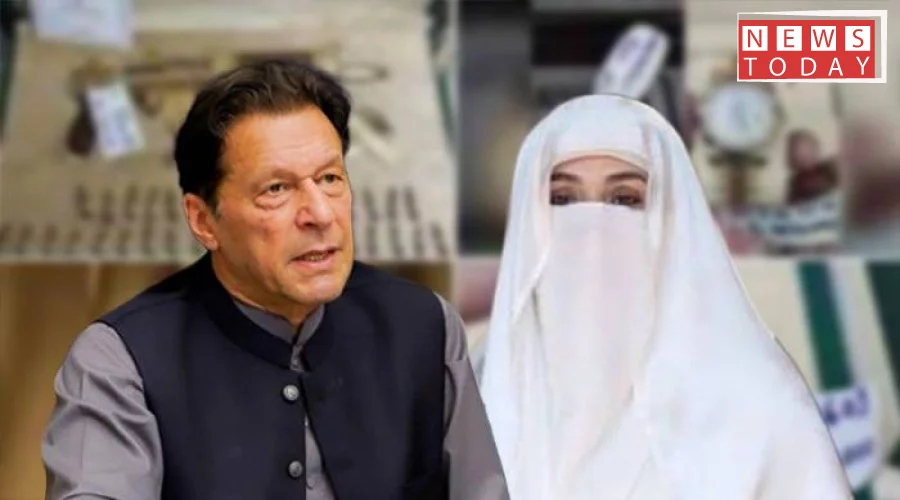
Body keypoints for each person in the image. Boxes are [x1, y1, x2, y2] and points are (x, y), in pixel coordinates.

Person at [42, 59, 509, 500]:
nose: (320, 214)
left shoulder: (424, 326)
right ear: (203, 220)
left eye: (330, 179)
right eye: (277, 189)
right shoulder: (121, 359)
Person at [477, 94, 852, 499]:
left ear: (672, 216)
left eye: (624, 199)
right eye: (562, 199)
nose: (593, 229)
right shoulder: (477, 383)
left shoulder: (756, 397)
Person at [785, 129, 838, 205]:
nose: (803, 154)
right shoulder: (795, 182)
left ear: (815, 149)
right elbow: (792, 207)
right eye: (798, 150)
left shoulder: (830, 168)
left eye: (806, 148)